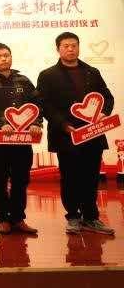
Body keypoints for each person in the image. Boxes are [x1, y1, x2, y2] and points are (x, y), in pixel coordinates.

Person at [36, 32, 115, 235]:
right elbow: (45, 104)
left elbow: (107, 96)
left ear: (79, 47)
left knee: (91, 177)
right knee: (70, 177)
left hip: (93, 133)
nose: (71, 49)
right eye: (66, 46)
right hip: (66, 134)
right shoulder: (47, 75)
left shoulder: (92, 72)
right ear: (58, 49)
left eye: (74, 45)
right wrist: (63, 124)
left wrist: (104, 113)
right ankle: (73, 217)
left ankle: (91, 217)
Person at [0, 43, 41, 235]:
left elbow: (37, 104)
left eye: (7, 55)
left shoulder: (24, 80)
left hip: (22, 139)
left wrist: (36, 122)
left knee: (21, 179)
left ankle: (18, 218)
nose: (4, 58)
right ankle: (3, 219)